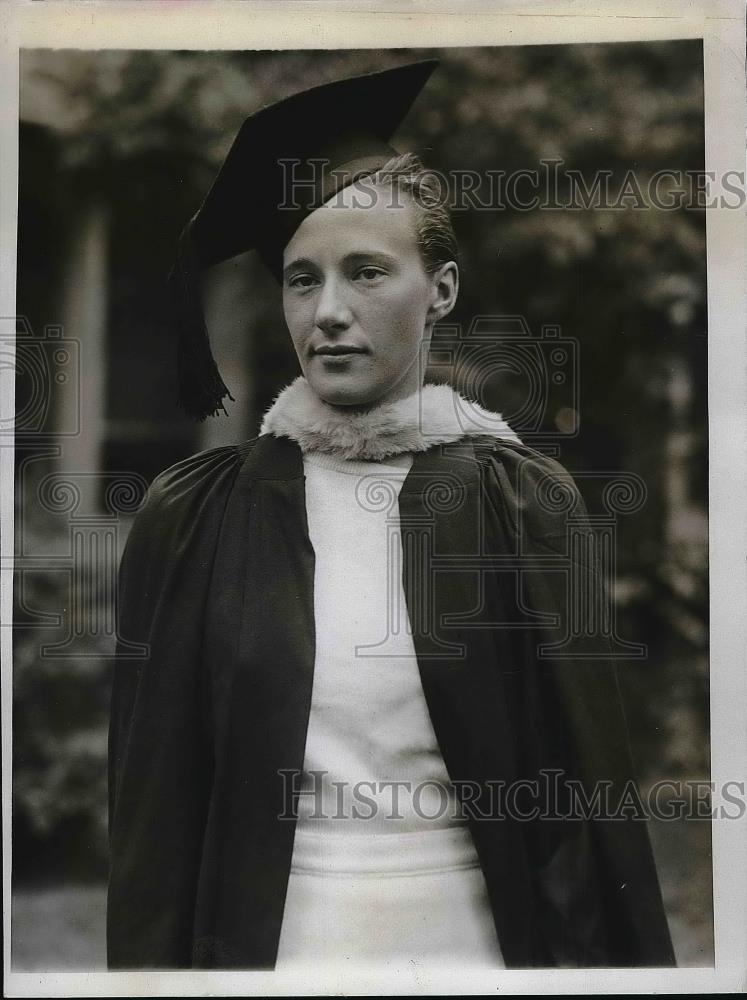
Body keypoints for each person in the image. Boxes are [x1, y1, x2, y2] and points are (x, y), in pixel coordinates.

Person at [106, 59, 676, 970]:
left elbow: (580, 817)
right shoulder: (197, 518)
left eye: (366, 272)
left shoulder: (523, 505)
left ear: (439, 290)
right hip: (269, 956)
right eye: (302, 279)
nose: (328, 311)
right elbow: (153, 825)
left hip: (473, 951)